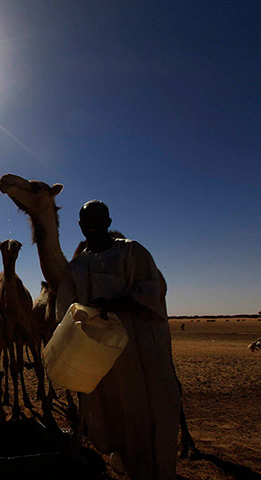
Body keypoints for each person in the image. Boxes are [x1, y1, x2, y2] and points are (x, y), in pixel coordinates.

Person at [57, 200, 181, 480]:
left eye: (98, 220)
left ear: (109, 221)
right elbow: (67, 310)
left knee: (152, 417)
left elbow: (152, 293)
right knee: (115, 417)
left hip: (142, 355)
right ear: (79, 226)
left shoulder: (132, 252)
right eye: (87, 221)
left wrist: (111, 305)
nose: (93, 226)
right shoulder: (76, 268)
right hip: (103, 361)